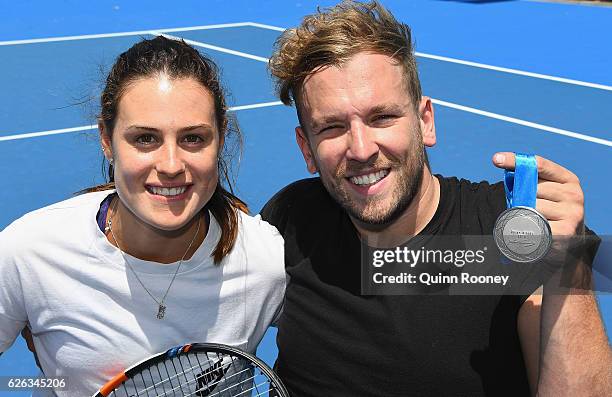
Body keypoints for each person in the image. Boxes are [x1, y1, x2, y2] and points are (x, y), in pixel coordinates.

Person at [262, 1, 611, 396]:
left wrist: (571, 266)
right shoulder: (291, 220)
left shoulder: (511, 232)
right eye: (332, 127)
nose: (360, 149)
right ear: (306, 148)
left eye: (381, 118)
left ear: (425, 121)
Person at [0, 36, 285, 396]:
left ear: (221, 137)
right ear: (107, 139)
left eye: (194, 138)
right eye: (145, 138)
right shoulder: (28, 252)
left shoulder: (266, 261)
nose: (170, 165)